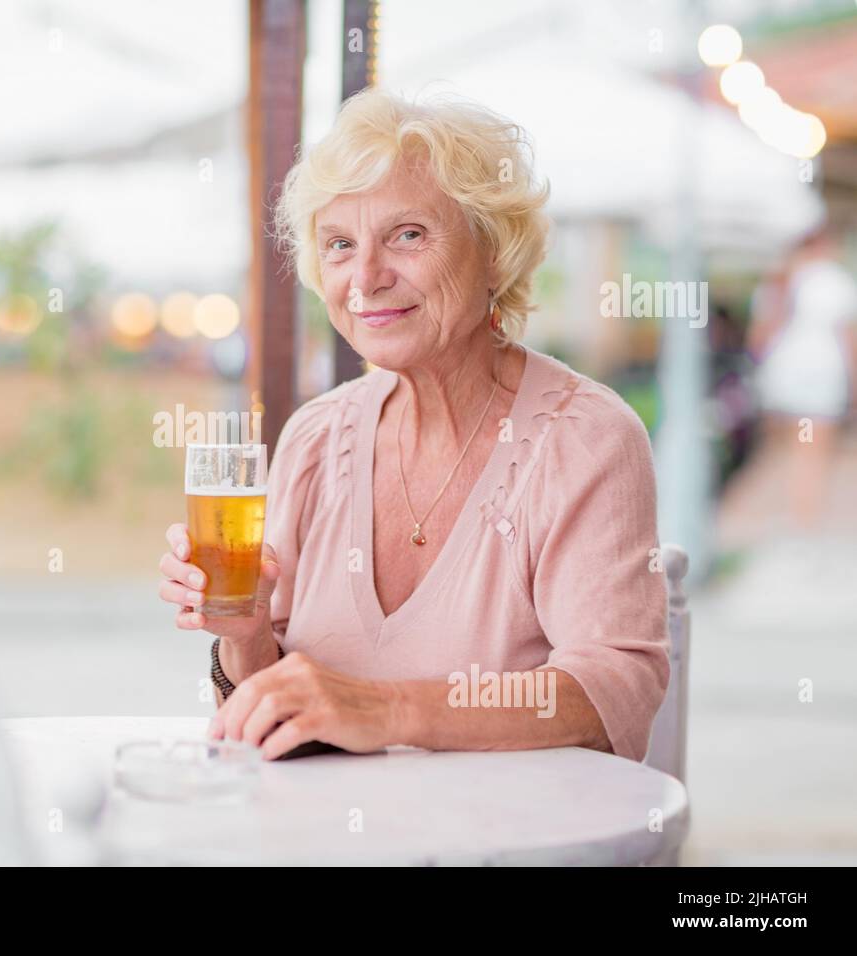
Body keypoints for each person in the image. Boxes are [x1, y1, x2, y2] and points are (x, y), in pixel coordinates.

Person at [158, 89, 669, 762]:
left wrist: (388, 708)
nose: (365, 277)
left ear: (493, 251)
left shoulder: (585, 439)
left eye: (407, 235)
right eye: (340, 244)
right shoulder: (315, 438)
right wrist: (248, 632)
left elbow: (613, 691)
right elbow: (272, 720)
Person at [747, 226, 857, 531]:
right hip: (823, 373)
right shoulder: (834, 280)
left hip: (782, 375)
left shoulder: (778, 281)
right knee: (816, 450)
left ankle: (793, 509)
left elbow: (757, 340)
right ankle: (808, 514)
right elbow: (848, 338)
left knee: (786, 449)